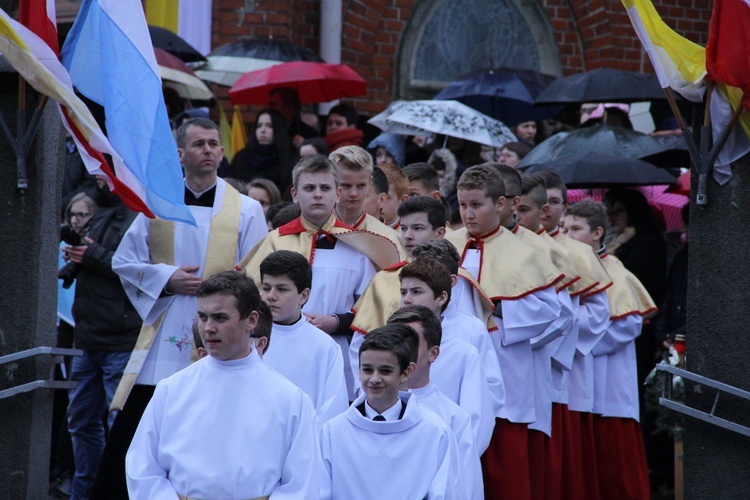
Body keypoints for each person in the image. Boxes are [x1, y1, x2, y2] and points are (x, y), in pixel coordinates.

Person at [96, 117, 268, 499]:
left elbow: (257, 273)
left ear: (222, 153)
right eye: (199, 144)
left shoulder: (248, 210)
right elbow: (124, 261)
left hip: (222, 329)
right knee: (146, 417)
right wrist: (166, 278)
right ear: (180, 155)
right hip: (171, 319)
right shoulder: (156, 205)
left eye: (213, 144)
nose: (208, 150)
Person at [125, 271, 319, 498]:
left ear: (252, 321)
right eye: (202, 317)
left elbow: (303, 483)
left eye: (220, 318)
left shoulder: (289, 398)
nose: (207, 328)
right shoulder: (172, 389)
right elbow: (143, 467)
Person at [239, 154, 401, 399]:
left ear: (337, 194)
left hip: (336, 348)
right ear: (295, 194)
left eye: (325, 188)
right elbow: (249, 297)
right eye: (309, 188)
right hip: (276, 349)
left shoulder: (359, 246)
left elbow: (375, 305)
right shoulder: (275, 241)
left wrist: (337, 322)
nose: (317, 194)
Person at [446, 164, 563, 500]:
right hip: (454, 359)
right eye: (463, 205)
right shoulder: (448, 244)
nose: (467, 214)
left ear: (500, 204)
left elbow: (550, 311)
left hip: (505, 359)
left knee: (505, 466)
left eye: (476, 205)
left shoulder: (525, 253)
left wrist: (497, 306)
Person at [564, 199, 656, 499]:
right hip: (580, 382)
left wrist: (574, 341)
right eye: (564, 228)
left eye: (576, 228)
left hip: (610, 385)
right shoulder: (567, 268)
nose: (568, 235)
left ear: (597, 233)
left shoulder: (616, 272)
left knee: (616, 474)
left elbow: (628, 325)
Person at [317, 324, 464, 499]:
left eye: (385, 371)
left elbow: (445, 494)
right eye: (367, 369)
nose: (374, 379)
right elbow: (319, 492)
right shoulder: (332, 432)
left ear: (406, 372)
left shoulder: (435, 432)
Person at [62, 178, 140, 500]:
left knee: (118, 426)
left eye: (104, 169)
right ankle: (85, 494)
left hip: (121, 340)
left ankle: (114, 493)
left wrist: (91, 254)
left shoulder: (140, 214)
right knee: (81, 422)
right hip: (87, 338)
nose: (98, 177)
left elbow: (139, 270)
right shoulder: (98, 210)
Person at [398, 258, 496, 454]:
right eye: (403, 292)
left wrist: (457, 461)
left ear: (441, 298)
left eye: (416, 292)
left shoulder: (464, 352)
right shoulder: (389, 342)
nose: (407, 299)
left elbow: (476, 421)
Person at [388, 306, 484, 499]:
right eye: (393, 342)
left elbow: (465, 488)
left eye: (410, 343)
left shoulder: (454, 419)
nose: (400, 352)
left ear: (434, 353)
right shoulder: (362, 412)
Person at [259, 250, 348, 423]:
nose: (271, 296)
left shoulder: (325, 347)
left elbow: (333, 409)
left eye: (282, 289)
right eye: (266, 288)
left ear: (304, 295)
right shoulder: (246, 338)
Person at [328, 145, 405, 258]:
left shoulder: (389, 239)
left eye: (361, 185)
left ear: (370, 182)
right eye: (346, 185)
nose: (354, 193)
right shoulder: (313, 232)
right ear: (331, 182)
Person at [228, 108, 295, 198]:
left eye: (269, 126)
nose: (262, 130)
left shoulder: (288, 159)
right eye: (259, 125)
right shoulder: (241, 158)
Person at [377, 162, 409, 229]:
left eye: (386, 197)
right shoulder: (353, 229)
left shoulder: (407, 235)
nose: (378, 202)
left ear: (403, 200)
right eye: (374, 195)